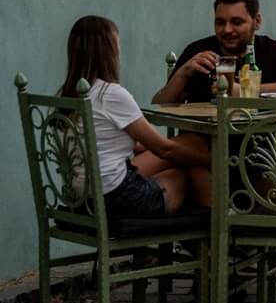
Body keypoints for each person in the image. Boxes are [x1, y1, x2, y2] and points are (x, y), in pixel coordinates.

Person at [61, 16, 210, 216]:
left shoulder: (68, 95)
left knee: (177, 159)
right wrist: (211, 160)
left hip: (79, 200)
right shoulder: (110, 94)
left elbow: (132, 144)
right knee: (179, 177)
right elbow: (164, 149)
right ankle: (208, 229)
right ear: (109, 51)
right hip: (114, 199)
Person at [153, 0, 276, 105]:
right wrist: (182, 74)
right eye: (220, 22)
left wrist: (246, 91)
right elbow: (160, 105)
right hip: (205, 133)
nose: (227, 30)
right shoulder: (198, 52)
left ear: (257, 21)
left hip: (260, 134)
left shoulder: (271, 50)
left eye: (236, 22)